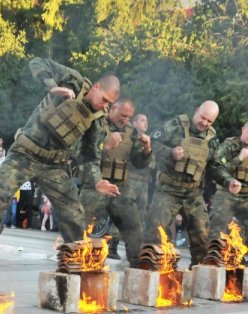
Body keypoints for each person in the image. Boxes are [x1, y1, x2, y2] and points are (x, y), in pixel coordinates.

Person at [0, 57, 120, 256]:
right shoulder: (74, 80)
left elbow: (90, 156)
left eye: (109, 103)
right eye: (104, 99)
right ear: (96, 87)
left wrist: (97, 182)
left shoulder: (97, 119)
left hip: (53, 166)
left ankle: (76, 258)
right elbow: (37, 63)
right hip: (25, 154)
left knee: (74, 214)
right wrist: (52, 86)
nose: (104, 105)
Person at [143, 101, 220, 267]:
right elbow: (151, 144)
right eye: (203, 118)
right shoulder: (174, 126)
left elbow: (215, 166)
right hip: (168, 190)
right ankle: (151, 272)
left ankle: (200, 275)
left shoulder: (212, 138)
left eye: (210, 121)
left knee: (203, 238)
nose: (205, 123)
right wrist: (170, 152)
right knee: (154, 235)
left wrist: (228, 182)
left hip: (193, 193)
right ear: (197, 110)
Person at [79, 97, 152, 267]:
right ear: (113, 108)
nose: (125, 120)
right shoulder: (96, 124)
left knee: (134, 227)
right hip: (96, 184)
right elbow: (79, 155)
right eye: (122, 115)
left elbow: (139, 163)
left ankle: (137, 266)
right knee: (80, 226)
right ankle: (74, 262)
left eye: (128, 117)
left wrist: (147, 149)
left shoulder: (131, 132)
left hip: (120, 187)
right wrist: (106, 147)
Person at [207, 122, 248, 244]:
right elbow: (216, 167)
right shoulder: (229, 145)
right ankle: (210, 258)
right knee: (215, 231)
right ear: (243, 129)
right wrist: (239, 158)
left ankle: (239, 259)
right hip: (227, 193)